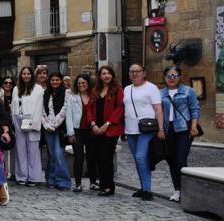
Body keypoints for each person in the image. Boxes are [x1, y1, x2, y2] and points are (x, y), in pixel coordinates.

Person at [160, 65, 202, 203]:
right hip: (168, 129)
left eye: (174, 75)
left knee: (181, 159)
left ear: (179, 77)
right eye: (169, 76)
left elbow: (195, 109)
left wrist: (194, 126)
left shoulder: (188, 91)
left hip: (184, 128)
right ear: (165, 78)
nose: (172, 78)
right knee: (171, 160)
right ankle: (177, 189)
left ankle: (186, 190)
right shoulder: (161, 93)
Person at [124, 63, 165, 201]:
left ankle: (147, 190)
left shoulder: (151, 88)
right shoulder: (126, 89)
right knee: (137, 159)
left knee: (141, 157)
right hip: (130, 129)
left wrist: (160, 128)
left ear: (143, 73)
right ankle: (142, 187)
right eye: (131, 71)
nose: (134, 74)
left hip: (146, 129)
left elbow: (158, 109)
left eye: (137, 71)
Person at [86, 65, 125, 196]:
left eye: (108, 73)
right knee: (98, 157)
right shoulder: (95, 90)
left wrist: (107, 124)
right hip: (96, 129)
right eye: (103, 73)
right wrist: (93, 125)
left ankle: (109, 186)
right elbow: (89, 109)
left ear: (112, 75)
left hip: (111, 129)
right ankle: (103, 185)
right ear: (99, 76)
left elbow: (119, 108)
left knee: (106, 157)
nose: (106, 75)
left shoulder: (118, 90)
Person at [11, 66, 44, 186]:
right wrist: (13, 121)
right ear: (21, 75)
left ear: (32, 75)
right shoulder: (16, 88)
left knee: (33, 149)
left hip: (31, 119)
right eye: (24, 74)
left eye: (28, 74)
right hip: (18, 118)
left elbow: (39, 106)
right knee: (20, 149)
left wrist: (35, 122)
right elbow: (13, 106)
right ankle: (21, 176)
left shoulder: (38, 88)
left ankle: (33, 177)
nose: (26, 76)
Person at [65, 74, 97, 192]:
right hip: (77, 130)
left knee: (91, 156)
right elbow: (68, 116)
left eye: (83, 83)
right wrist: (70, 133)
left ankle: (93, 182)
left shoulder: (93, 96)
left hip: (90, 130)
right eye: (79, 83)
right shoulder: (72, 97)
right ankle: (78, 184)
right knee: (78, 157)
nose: (81, 85)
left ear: (88, 84)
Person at [41, 72, 72, 190]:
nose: (55, 82)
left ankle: (64, 181)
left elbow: (65, 110)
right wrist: (46, 124)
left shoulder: (67, 92)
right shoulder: (46, 93)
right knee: (52, 154)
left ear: (61, 81)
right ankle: (51, 179)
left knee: (59, 154)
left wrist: (54, 124)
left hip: (60, 128)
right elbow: (42, 110)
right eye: (53, 80)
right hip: (48, 128)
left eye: (57, 80)